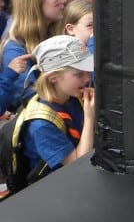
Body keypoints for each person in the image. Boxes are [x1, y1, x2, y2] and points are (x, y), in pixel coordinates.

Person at [16, 36, 95, 184]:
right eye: (79, 74)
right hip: (51, 187)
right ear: (53, 78)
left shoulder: (71, 95)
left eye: (88, 71)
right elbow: (78, 166)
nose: (87, 78)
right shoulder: (41, 124)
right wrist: (90, 117)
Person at [0, 0, 67, 108]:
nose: (64, 0)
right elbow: (30, 98)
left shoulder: (52, 33)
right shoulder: (15, 48)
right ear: (36, 3)